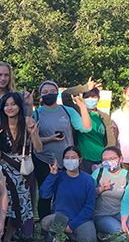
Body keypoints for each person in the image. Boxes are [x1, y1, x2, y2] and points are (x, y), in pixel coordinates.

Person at [32, 80, 92, 219]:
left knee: (64, 194)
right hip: (43, 160)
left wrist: (82, 107)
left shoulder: (67, 111)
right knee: (45, 194)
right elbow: (32, 140)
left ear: (57, 93)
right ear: (40, 95)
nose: (49, 94)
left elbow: (86, 128)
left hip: (66, 161)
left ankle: (66, 224)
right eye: (45, 92)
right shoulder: (37, 114)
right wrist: (51, 138)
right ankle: (45, 225)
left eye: (52, 91)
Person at [0, 92, 42, 242]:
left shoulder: (28, 122)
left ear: (19, 105)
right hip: (4, 169)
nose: (10, 108)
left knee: (20, 205)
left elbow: (38, 148)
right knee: (2, 204)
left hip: (23, 170)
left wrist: (33, 135)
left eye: (13, 104)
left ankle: (8, 240)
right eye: (6, 105)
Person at [39, 146, 97, 242]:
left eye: (73, 158)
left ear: (80, 160)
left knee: (89, 240)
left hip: (80, 218)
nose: (70, 160)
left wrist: (73, 225)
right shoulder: (58, 176)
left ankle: (70, 234)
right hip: (61, 218)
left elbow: (89, 206)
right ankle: (61, 235)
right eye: (67, 158)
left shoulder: (88, 180)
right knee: (45, 222)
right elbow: (43, 194)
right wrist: (52, 175)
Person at [62, 77, 114, 173]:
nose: (91, 99)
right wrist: (85, 88)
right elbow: (65, 95)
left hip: (101, 159)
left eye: (93, 97)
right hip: (83, 159)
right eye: (88, 97)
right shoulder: (79, 111)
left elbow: (110, 140)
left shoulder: (104, 117)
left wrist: (110, 158)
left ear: (98, 98)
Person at [91, 147, 129, 237]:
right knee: (120, 236)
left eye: (112, 159)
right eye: (105, 160)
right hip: (101, 214)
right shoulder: (98, 173)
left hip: (119, 212)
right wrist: (100, 189)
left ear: (120, 159)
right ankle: (102, 236)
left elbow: (127, 201)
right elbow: (88, 194)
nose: (108, 162)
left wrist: (123, 222)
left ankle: (120, 232)